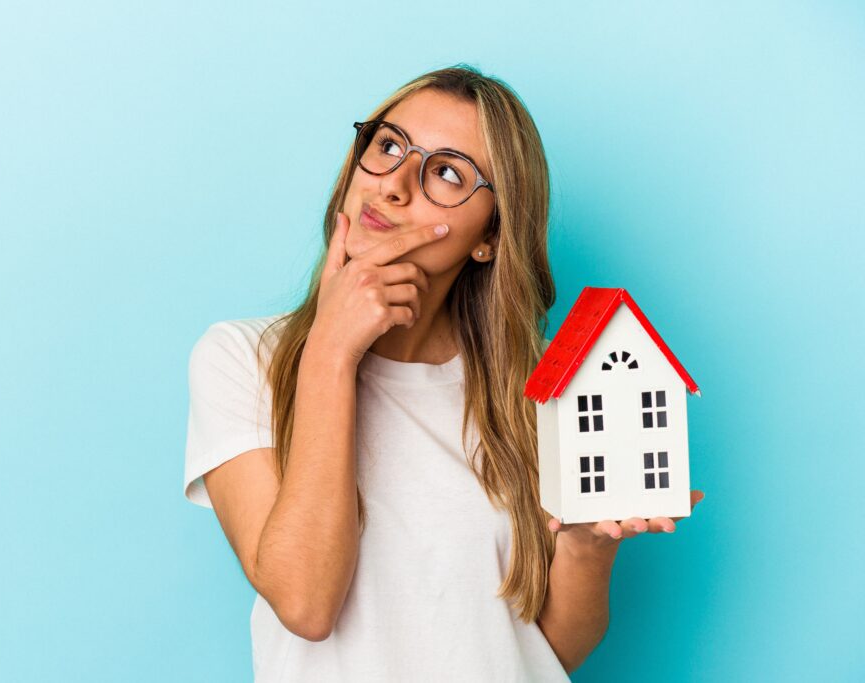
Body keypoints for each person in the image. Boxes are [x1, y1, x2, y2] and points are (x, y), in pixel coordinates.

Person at [183, 64, 704, 681]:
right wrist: (330, 351)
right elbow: (305, 604)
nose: (396, 185)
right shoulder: (242, 358)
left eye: (448, 172)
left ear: (490, 234)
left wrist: (590, 547)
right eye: (388, 146)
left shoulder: (541, 387)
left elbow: (543, 653)